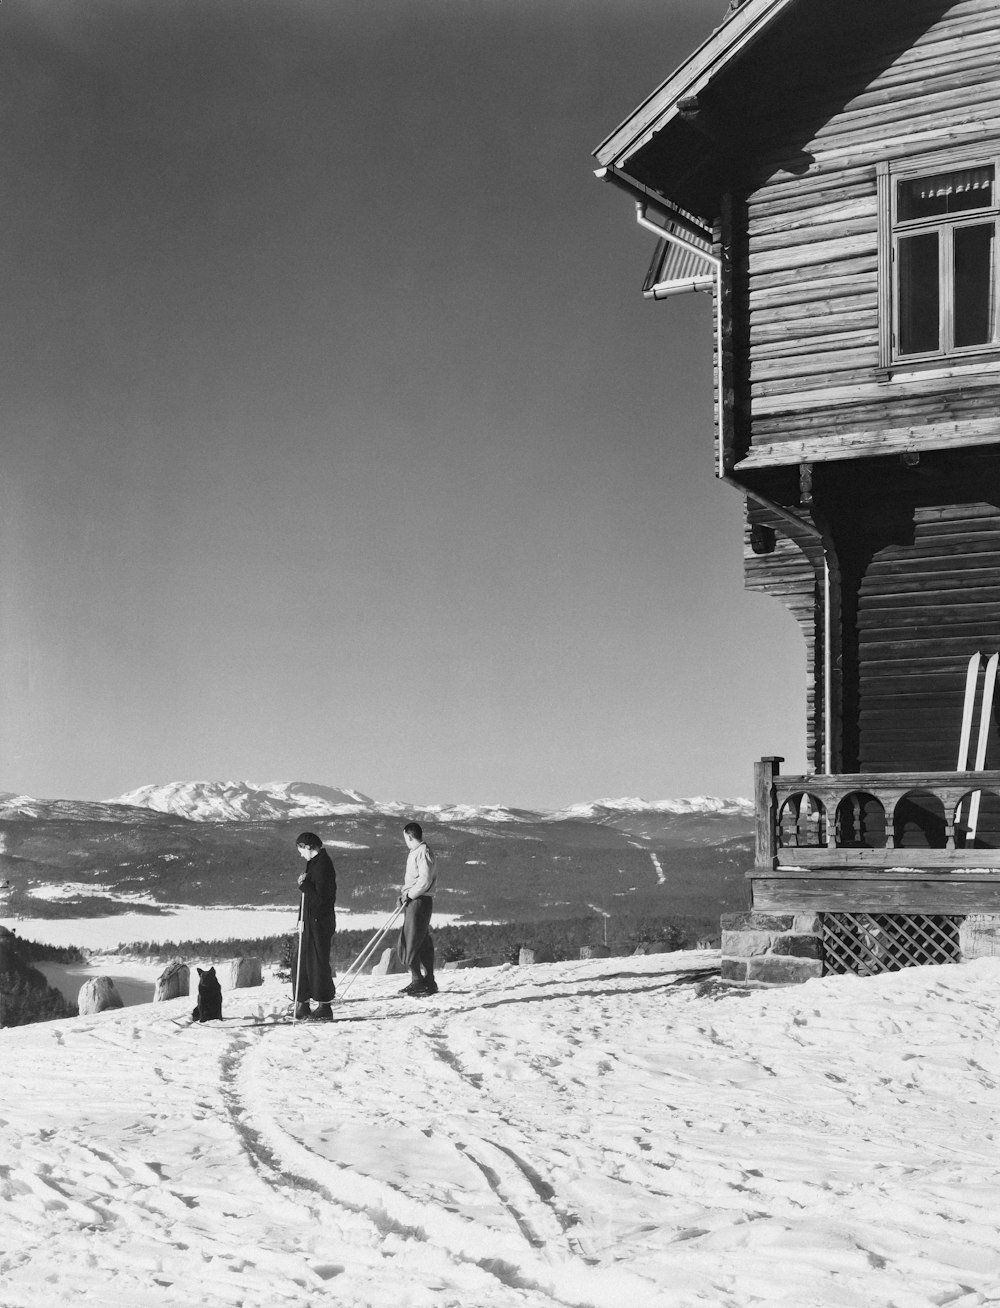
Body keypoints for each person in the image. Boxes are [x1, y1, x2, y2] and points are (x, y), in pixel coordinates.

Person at [292, 832, 337, 1020]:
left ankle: (324, 1006)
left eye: (301, 850)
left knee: (318, 963)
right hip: (310, 921)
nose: (301, 854)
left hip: (319, 922)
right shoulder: (314, 863)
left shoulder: (323, 865)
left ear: (309, 847)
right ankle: (302, 1002)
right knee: (301, 962)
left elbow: (322, 899)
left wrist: (305, 886)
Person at [396, 821, 438, 996]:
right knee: (420, 939)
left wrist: (409, 895)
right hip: (415, 899)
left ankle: (418, 980)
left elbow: (424, 881)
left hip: (419, 900)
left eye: (405, 837)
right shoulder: (417, 852)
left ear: (409, 835)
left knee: (410, 939)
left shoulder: (423, 852)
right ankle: (427, 980)